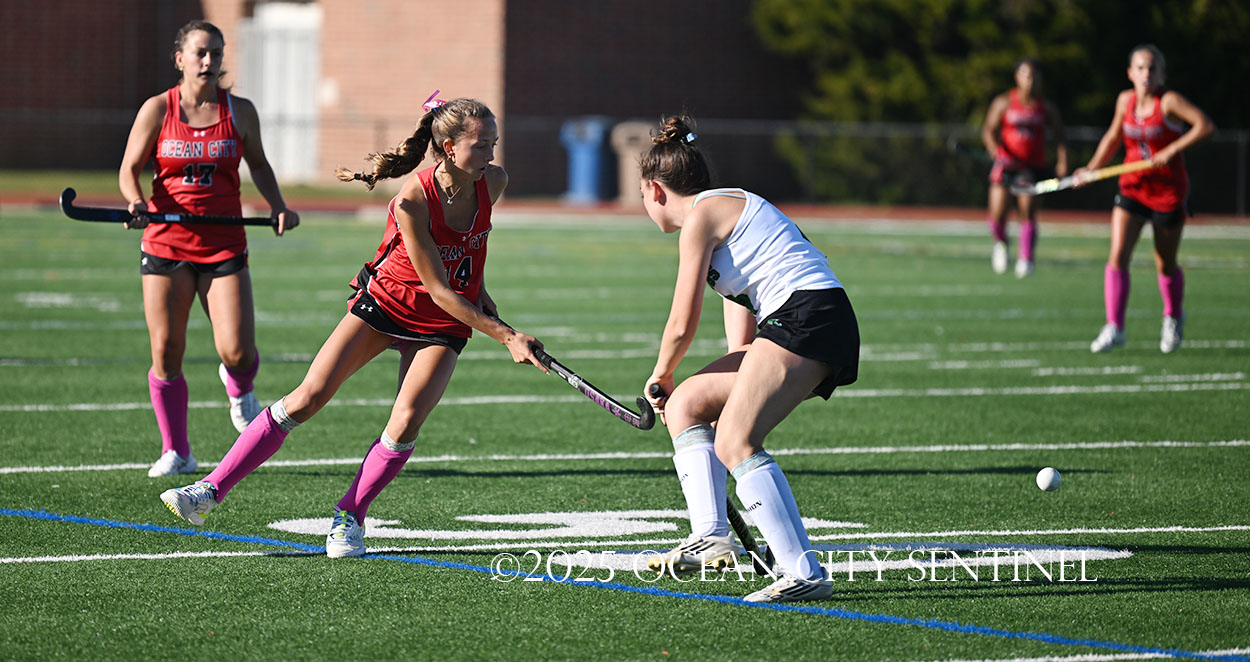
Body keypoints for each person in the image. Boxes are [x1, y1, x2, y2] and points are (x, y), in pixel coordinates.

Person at [159, 95, 547, 559]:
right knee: (308, 397)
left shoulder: (494, 182)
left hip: (443, 322)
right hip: (387, 303)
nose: (491, 154)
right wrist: (506, 336)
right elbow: (438, 287)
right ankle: (209, 489)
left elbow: (467, 254)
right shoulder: (412, 199)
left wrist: (482, 294)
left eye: (493, 144)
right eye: (481, 145)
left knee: (406, 421)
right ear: (448, 147)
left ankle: (350, 516)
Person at [638, 116, 859, 603]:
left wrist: (661, 374)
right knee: (688, 405)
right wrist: (698, 395)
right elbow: (741, 345)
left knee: (736, 441)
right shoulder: (725, 220)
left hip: (809, 316)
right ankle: (711, 537)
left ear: (654, 190)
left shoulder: (701, 219)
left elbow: (681, 322)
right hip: (802, 320)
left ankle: (804, 572)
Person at [119, 20, 299, 478]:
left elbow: (259, 165)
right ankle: (177, 451)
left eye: (216, 53)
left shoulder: (239, 111)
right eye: (200, 52)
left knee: (237, 352)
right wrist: (136, 201)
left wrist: (278, 206)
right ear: (179, 58)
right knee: (167, 350)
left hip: (223, 244)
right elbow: (129, 169)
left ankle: (240, 388)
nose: (209, 61)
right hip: (165, 242)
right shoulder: (157, 109)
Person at [1078, 44, 1214, 354]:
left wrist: (1171, 150)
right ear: (1130, 73)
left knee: (1165, 264)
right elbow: (1114, 137)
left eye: (1152, 68)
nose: (1146, 74)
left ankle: (1173, 316)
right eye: (1140, 68)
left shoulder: (1169, 102)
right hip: (1132, 187)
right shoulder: (1124, 100)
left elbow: (1206, 126)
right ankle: (1115, 326)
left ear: (1162, 74)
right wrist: (1091, 168)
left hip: (1167, 192)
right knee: (1117, 255)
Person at [981, 57, 1068, 277]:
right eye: (1026, 75)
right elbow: (988, 130)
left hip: (1030, 167)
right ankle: (1001, 244)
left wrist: (1062, 161)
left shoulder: (1045, 107)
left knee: (1027, 211)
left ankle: (1026, 258)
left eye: (1035, 76)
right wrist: (996, 151)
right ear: (1017, 77)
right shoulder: (1004, 102)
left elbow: (1060, 135)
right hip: (1005, 166)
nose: (1030, 80)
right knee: (997, 214)